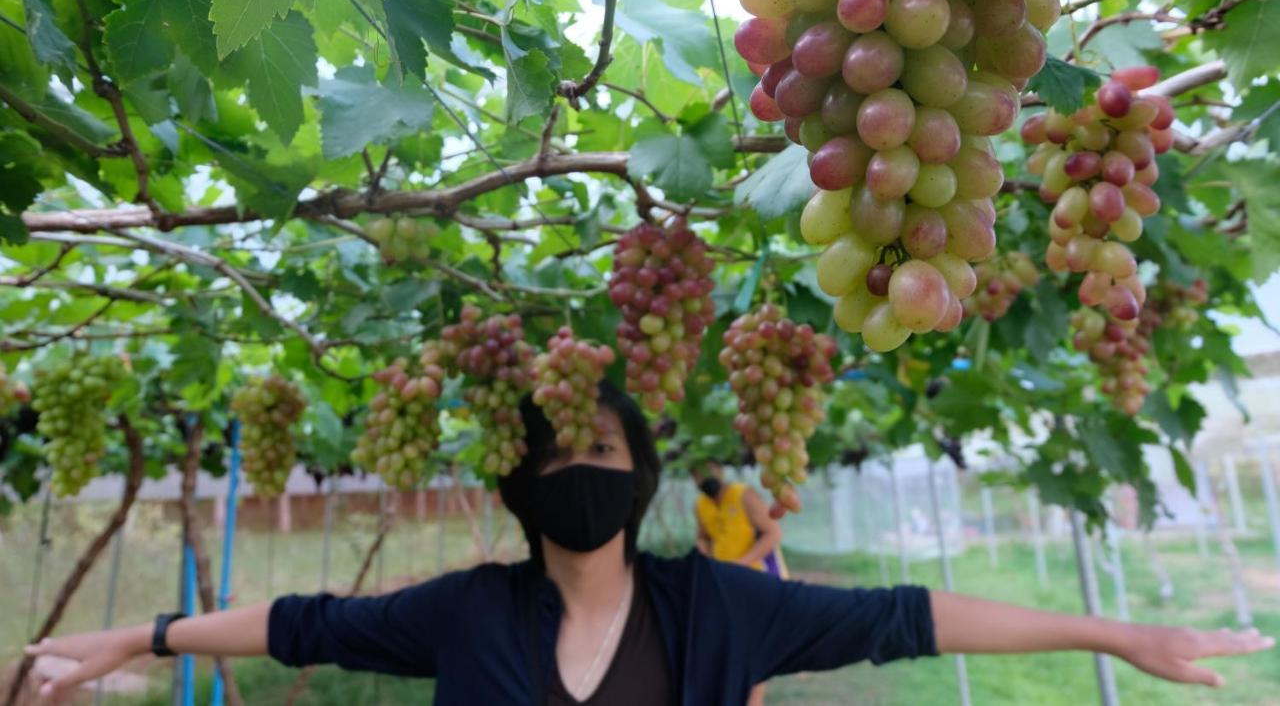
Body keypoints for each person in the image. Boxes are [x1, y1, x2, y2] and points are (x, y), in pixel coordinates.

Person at [22, 380, 1273, 705]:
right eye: (557, 457)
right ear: (519, 486)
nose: (580, 473)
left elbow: (918, 616)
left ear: (642, 481)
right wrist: (125, 636)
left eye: (604, 457)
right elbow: (299, 623)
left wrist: (1119, 632)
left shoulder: (724, 608)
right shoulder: (462, 611)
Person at [692, 459, 787, 706]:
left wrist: (740, 565)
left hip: (758, 582)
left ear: (719, 468)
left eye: (706, 468)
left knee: (753, 650)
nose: (701, 477)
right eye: (695, 473)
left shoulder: (744, 495)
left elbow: (773, 533)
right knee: (731, 647)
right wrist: (702, 549)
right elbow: (703, 537)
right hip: (724, 585)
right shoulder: (700, 505)